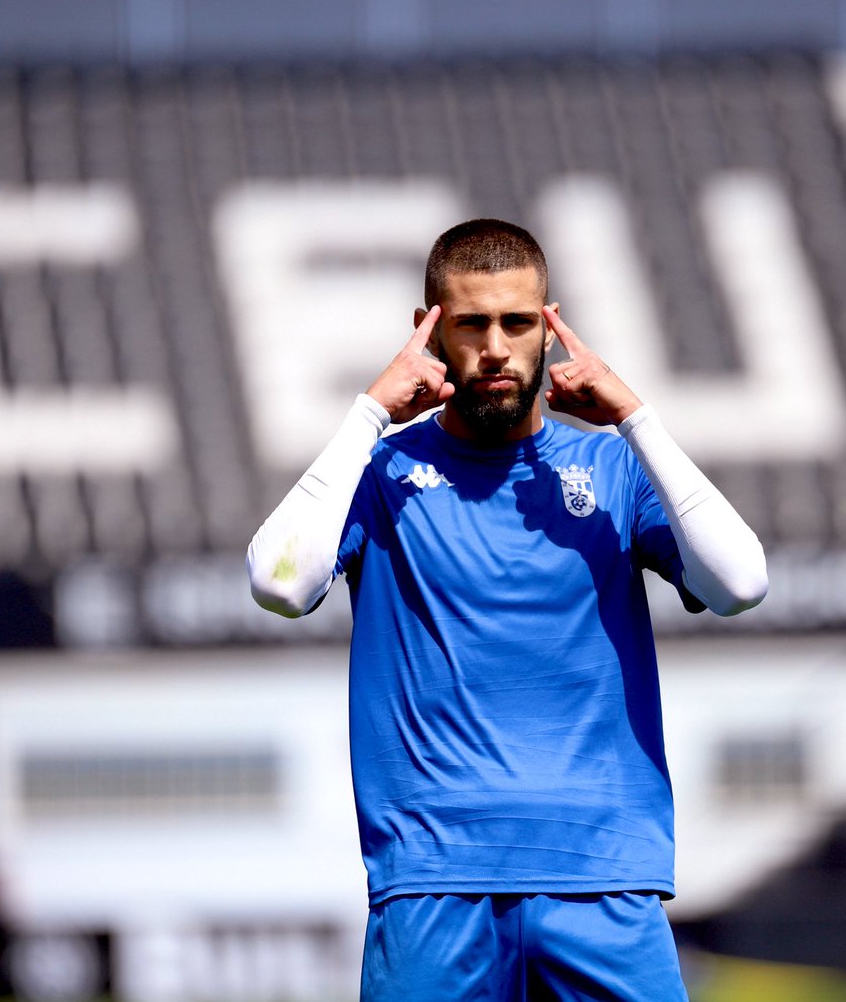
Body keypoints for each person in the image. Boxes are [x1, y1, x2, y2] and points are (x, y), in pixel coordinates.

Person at [247, 218, 768, 1001]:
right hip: (431, 880)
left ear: (551, 328)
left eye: (518, 322)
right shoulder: (383, 471)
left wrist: (635, 414)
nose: (496, 347)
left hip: (602, 877)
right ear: (429, 333)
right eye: (471, 323)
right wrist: (367, 415)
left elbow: (740, 582)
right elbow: (280, 583)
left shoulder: (613, 469)